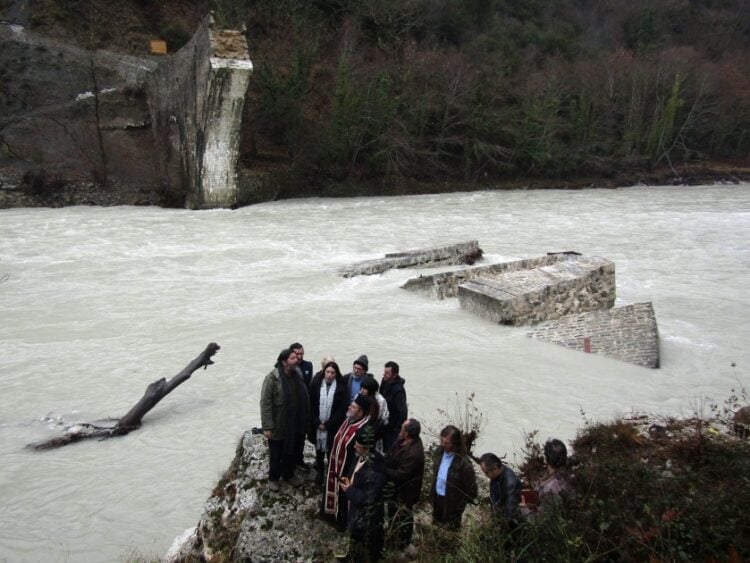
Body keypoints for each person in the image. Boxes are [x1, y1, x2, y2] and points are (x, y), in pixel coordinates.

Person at [260, 348, 310, 492]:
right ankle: (273, 478)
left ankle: (288, 474)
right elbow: (265, 403)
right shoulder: (272, 379)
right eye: (293, 358)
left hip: (294, 422)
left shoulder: (297, 374)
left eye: (297, 357)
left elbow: (303, 397)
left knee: (292, 451)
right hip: (278, 424)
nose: (297, 360)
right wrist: (267, 427)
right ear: (284, 362)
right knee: (276, 454)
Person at [324, 394, 372, 529]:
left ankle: (340, 522)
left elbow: (360, 454)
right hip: (335, 464)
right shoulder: (349, 419)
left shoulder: (363, 429)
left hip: (347, 470)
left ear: (361, 412)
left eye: (354, 406)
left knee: (344, 498)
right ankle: (329, 513)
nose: (349, 407)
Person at [340, 425, 386, 562]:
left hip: (367, 518)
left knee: (366, 545)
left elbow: (368, 498)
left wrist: (349, 490)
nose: (354, 447)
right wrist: (349, 480)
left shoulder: (377, 468)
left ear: (367, 448)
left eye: (358, 445)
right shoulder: (360, 456)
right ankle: (352, 556)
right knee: (354, 538)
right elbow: (355, 472)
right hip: (355, 510)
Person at [384, 418, 424, 549]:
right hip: (395, 488)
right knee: (392, 513)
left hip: (405, 492)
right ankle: (393, 537)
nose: (400, 430)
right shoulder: (403, 440)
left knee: (403, 515)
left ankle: (402, 543)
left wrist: (384, 470)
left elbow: (402, 474)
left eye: (402, 428)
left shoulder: (414, 453)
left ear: (407, 433)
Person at [308, 360, 349, 485]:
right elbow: (311, 405)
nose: (329, 375)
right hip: (317, 425)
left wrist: (327, 425)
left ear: (336, 374)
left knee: (331, 451)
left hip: (332, 427)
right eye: (327, 372)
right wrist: (317, 422)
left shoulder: (342, 387)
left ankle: (331, 474)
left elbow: (341, 410)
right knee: (319, 450)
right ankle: (320, 472)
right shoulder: (316, 384)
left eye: (332, 372)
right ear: (324, 372)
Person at [430, 425, 478, 530]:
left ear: (455, 443)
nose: (443, 445)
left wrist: (459, 506)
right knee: (436, 528)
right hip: (437, 499)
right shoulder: (439, 452)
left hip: (453, 505)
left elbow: (472, 491)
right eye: (441, 440)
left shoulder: (464, 464)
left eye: (447, 443)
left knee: (450, 533)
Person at [521, 438, 571, 517]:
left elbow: (538, 521)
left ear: (545, 458)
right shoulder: (566, 474)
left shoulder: (550, 489)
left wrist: (524, 509)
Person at [478, 452, 522, 526]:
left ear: (495, 468)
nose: (485, 475)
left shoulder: (510, 482)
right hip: (499, 517)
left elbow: (511, 510)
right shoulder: (496, 475)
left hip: (510, 524)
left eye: (486, 472)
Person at [380, 361, 407, 453]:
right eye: (384, 372)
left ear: (394, 375)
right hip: (384, 422)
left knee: (390, 451)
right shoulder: (384, 381)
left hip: (392, 427)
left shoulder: (399, 391)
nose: (384, 375)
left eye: (387, 373)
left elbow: (403, 411)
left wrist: (398, 429)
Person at [360, 378, 389, 453]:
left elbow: (380, 418)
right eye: (362, 387)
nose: (362, 390)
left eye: (365, 388)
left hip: (374, 430)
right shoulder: (361, 394)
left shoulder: (380, 400)